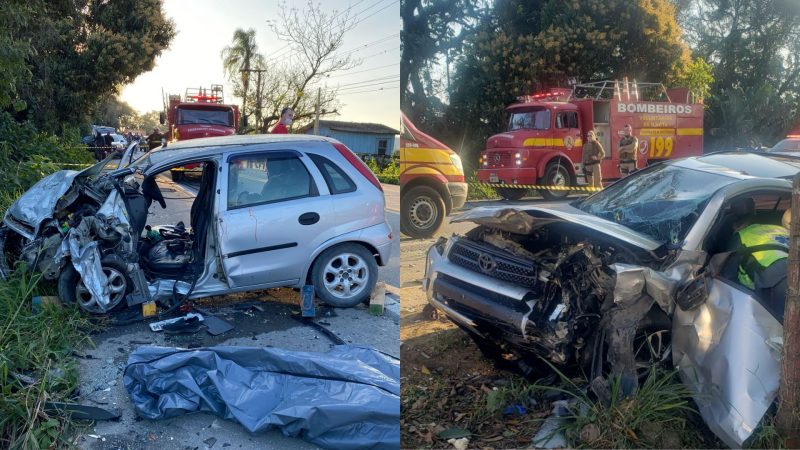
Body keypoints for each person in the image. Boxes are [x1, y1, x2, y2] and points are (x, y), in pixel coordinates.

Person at [728, 202, 790, 319]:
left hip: (777, 283)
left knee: (780, 327)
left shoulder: (740, 236)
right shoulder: (779, 229)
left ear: (736, 225)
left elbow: (728, 278)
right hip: (791, 272)